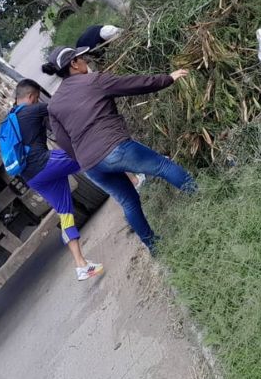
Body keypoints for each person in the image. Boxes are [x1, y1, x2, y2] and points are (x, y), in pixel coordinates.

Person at [41, 45, 195, 251]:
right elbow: (133, 84)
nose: (86, 60)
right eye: (82, 58)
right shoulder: (94, 80)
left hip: (90, 165)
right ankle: (203, 196)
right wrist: (168, 78)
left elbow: (64, 141)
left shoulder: (54, 105)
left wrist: (85, 160)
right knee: (163, 167)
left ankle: (154, 247)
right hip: (114, 147)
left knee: (129, 201)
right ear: (74, 64)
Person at [9, 80, 104, 281]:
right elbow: (59, 104)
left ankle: (81, 266)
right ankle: (135, 179)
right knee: (89, 152)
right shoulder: (29, 111)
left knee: (65, 214)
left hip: (32, 178)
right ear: (32, 97)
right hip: (44, 165)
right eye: (36, 99)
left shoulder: (10, 119)